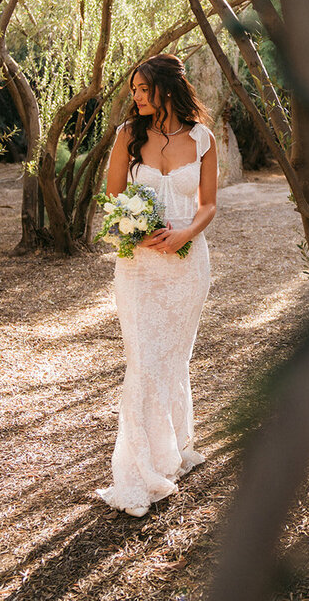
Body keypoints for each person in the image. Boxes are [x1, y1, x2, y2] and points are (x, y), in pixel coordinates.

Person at [98, 53, 218, 516]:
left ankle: (171, 450)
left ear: (167, 88)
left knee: (172, 357)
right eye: (134, 90)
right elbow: (112, 196)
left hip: (188, 267)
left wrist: (187, 232)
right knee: (143, 359)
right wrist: (135, 232)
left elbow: (208, 203)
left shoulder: (202, 138)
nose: (137, 97)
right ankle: (138, 472)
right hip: (139, 266)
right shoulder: (129, 136)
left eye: (143, 89)